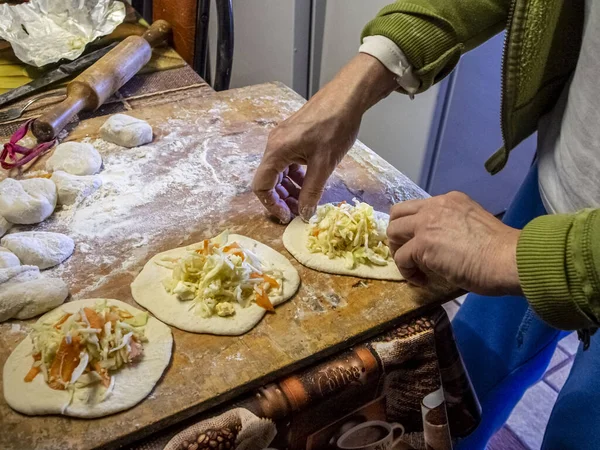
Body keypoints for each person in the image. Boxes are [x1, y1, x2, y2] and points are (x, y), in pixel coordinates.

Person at [252, 1, 600, 449]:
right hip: (563, 177)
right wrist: (368, 71)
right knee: (465, 377)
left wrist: (524, 256)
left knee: (577, 432)